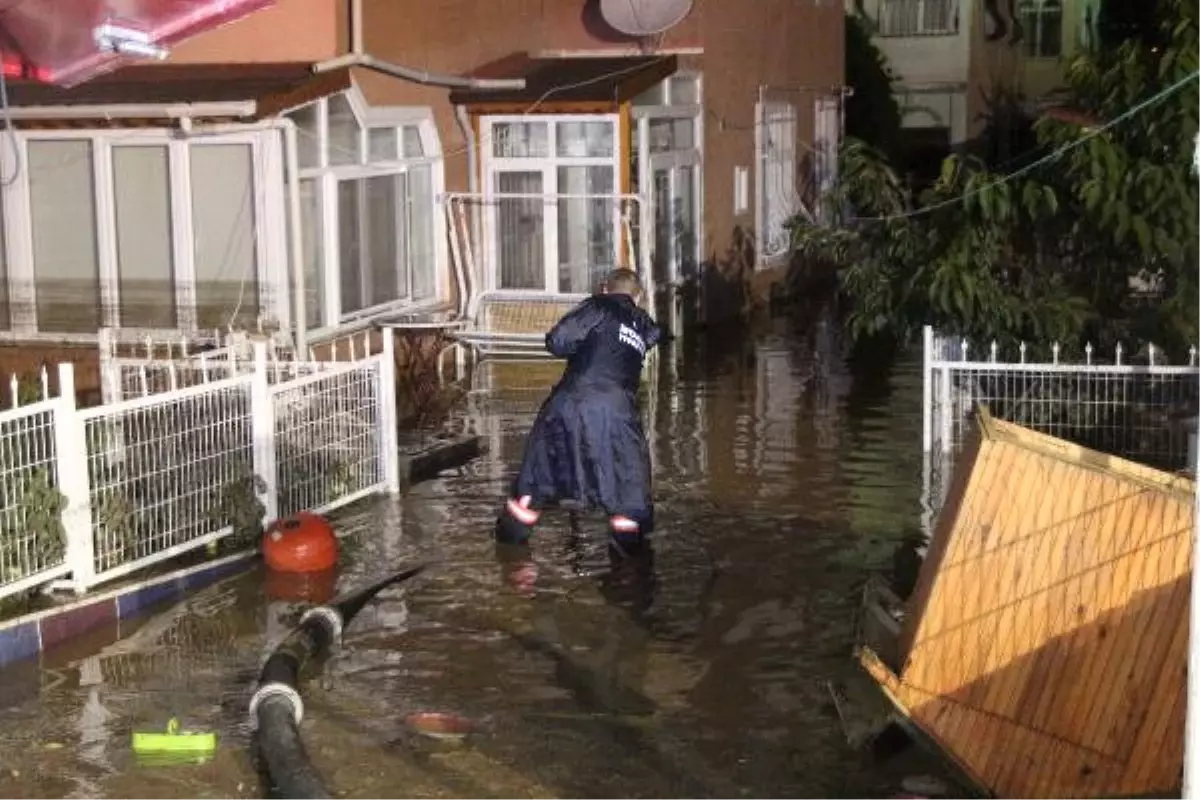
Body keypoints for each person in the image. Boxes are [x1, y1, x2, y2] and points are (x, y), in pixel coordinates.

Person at [495, 267, 663, 549]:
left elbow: (558, 342)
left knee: (538, 475)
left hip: (571, 404)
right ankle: (631, 571)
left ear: (605, 288)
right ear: (639, 296)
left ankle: (509, 557)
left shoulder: (598, 305)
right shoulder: (645, 324)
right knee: (625, 486)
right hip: (620, 414)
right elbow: (644, 340)